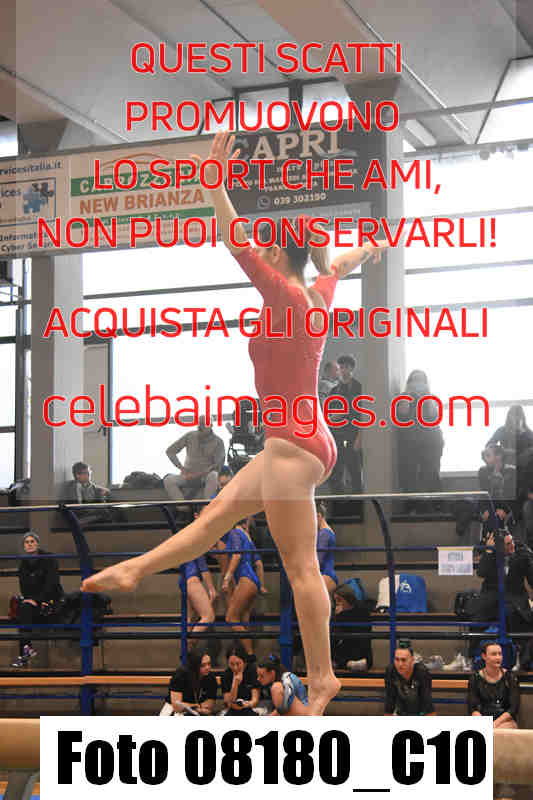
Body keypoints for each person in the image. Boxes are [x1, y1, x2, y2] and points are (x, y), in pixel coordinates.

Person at [81, 131, 388, 716]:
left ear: (281, 257)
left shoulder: (287, 297)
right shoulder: (317, 292)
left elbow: (236, 242)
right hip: (297, 442)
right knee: (213, 519)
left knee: (301, 569)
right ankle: (136, 570)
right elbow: (340, 262)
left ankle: (323, 678)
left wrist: (214, 185)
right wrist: (370, 246)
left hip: (292, 446)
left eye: (270, 248)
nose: (263, 253)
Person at [469, 531, 533, 665]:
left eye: (512, 541)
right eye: (508, 544)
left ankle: (520, 657)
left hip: (515, 599)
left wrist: (530, 561)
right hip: (493, 598)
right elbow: (481, 572)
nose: (512, 546)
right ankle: (472, 657)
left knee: (515, 615)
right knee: (476, 619)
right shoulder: (492, 554)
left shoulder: (522, 554)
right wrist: (488, 551)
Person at [468, 642, 520, 800]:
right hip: (483, 718)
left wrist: (494, 724)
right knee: (476, 736)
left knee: (502, 734)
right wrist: (482, 723)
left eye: (500, 654)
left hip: (504, 720)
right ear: (484, 656)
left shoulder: (510, 677)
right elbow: (473, 707)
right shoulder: (475, 678)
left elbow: (513, 708)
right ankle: (480, 782)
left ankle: (505, 784)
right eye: (494, 654)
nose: (498, 657)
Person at [11, 532, 64, 667]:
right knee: (23, 609)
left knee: (26, 612)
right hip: (33, 602)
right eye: (26, 542)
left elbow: (52, 583)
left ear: (37, 544)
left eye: (32, 541)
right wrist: (29, 600)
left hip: (51, 600)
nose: (29, 544)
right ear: (24, 546)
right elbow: (23, 587)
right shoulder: (23, 564)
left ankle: (25, 654)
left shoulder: (48, 559)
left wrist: (37, 600)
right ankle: (26, 652)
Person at [395, 370, 444, 513]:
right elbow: (402, 413)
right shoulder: (403, 397)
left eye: (421, 380)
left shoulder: (431, 398)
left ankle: (432, 505)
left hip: (431, 442)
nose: (418, 383)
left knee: (430, 472)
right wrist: (407, 395)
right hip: (410, 443)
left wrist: (426, 397)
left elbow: (434, 415)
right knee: (409, 473)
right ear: (409, 382)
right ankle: (411, 504)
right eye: (414, 380)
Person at [163, 416, 225, 501]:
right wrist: (182, 468)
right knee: (168, 480)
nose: (200, 426)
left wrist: (199, 474)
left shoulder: (218, 441)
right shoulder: (190, 435)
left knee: (214, 475)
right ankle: (182, 506)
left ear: (211, 425)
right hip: (187, 475)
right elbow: (170, 451)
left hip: (205, 477)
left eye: (203, 424)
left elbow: (218, 465)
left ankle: (206, 505)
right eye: (199, 424)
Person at [326, 354, 363, 496]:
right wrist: (333, 417)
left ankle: (358, 504)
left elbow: (362, 415)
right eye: (341, 367)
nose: (343, 370)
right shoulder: (334, 390)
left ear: (352, 368)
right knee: (336, 472)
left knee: (355, 471)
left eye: (346, 367)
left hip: (353, 434)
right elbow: (328, 415)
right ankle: (339, 504)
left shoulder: (359, 388)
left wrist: (359, 437)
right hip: (337, 434)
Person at [223, 518, 261, 655]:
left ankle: (250, 655)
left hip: (245, 578)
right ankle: (246, 656)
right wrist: (261, 585)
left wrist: (227, 578)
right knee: (244, 620)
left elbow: (237, 555)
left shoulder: (235, 533)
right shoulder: (247, 536)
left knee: (231, 618)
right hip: (252, 580)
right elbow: (259, 564)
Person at [384, 641, 435, 716]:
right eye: (397, 659)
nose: (400, 664)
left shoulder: (422, 672)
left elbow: (428, 706)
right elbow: (389, 704)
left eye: (403, 660)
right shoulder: (391, 671)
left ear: (412, 660)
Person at [331, 583, 373, 671]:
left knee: (356, 639)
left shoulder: (362, 611)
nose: (337, 603)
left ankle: (349, 663)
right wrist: (337, 617)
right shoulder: (336, 614)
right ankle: (346, 663)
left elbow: (361, 632)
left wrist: (341, 616)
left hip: (359, 647)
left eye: (339, 600)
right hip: (344, 649)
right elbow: (336, 637)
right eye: (335, 600)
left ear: (348, 599)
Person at [161, 651, 218, 716]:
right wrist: (197, 707)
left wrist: (194, 707)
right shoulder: (181, 675)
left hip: (198, 711)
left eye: (209, 664)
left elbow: (209, 705)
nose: (207, 667)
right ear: (194, 666)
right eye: (203, 665)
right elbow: (177, 707)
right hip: (174, 711)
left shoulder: (211, 678)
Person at [179, 554, 217, 648]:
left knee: (190, 619)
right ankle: (188, 645)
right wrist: (211, 589)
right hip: (192, 579)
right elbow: (203, 568)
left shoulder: (185, 546)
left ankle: (187, 651)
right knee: (209, 617)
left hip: (184, 580)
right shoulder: (197, 546)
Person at [221, 644, 260, 716]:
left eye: (238, 664)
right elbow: (229, 703)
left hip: (249, 708)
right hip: (232, 710)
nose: (235, 668)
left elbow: (255, 700)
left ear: (244, 662)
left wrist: (247, 704)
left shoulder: (252, 671)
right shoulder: (226, 674)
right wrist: (235, 683)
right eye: (231, 664)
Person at [316, 501, 338, 595]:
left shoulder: (324, 533)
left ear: (318, 516)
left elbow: (319, 559)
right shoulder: (324, 531)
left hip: (325, 573)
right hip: (326, 573)